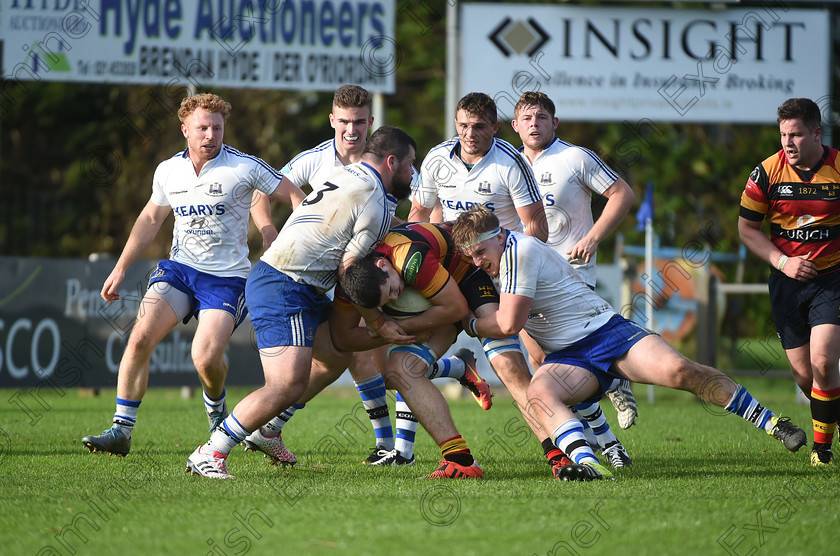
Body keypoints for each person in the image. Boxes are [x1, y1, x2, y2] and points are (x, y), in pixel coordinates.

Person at [452, 206, 807, 481]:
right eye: (470, 257)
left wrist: (469, 322)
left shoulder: (521, 250)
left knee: (682, 371)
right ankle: (590, 465)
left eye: (481, 251)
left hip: (606, 332)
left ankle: (774, 423)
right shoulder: (494, 261)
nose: (478, 262)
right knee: (539, 395)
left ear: (500, 236)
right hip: (570, 356)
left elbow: (509, 322)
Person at [185, 125, 416, 478]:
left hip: (294, 283)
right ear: (391, 161)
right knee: (285, 385)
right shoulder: (375, 198)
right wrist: (380, 322)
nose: (412, 173)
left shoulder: (348, 175)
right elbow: (351, 270)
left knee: (338, 353)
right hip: (285, 284)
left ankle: (268, 430)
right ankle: (210, 451)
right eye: (410, 164)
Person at [81, 93, 304, 457]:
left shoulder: (244, 166)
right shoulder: (169, 170)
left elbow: (295, 195)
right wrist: (120, 268)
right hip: (179, 270)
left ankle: (217, 410)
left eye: (217, 127)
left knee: (204, 358)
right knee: (139, 339)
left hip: (227, 279)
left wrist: (277, 237)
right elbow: (151, 219)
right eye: (202, 128)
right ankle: (121, 430)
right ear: (185, 129)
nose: (210, 135)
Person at [246, 85, 421, 466]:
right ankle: (386, 444)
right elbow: (262, 192)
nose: (352, 130)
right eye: (344, 121)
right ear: (332, 121)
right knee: (345, 352)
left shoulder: (387, 162)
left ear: (371, 124)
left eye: (359, 122)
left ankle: (385, 445)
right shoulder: (315, 160)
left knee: (353, 350)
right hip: (315, 271)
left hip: (353, 269)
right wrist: (273, 228)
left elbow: (412, 211)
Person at [408, 92, 563, 470]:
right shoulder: (437, 159)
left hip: (493, 275)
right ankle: (415, 452)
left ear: (495, 127)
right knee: (405, 360)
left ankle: (558, 451)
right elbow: (419, 213)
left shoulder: (508, 162)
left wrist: (510, 272)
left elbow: (536, 228)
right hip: (447, 273)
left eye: (479, 127)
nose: (470, 134)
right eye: (463, 126)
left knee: (512, 367)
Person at [511, 91, 637, 467]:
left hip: (570, 275)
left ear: (555, 123)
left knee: (564, 362)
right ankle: (609, 438)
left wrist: (593, 238)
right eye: (527, 118)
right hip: (523, 277)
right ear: (515, 126)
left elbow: (622, 193)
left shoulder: (575, 157)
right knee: (542, 364)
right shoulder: (508, 163)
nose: (534, 123)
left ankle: (612, 388)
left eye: (541, 117)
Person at [333, 222, 498, 468]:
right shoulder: (354, 283)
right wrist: (383, 326)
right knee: (389, 376)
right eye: (386, 300)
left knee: (505, 352)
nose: (395, 297)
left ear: (383, 265)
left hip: (467, 276)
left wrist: (405, 326)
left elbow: (456, 308)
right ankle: (458, 368)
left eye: (390, 290)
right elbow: (343, 338)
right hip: (437, 295)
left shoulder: (410, 259)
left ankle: (560, 447)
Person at [738, 97, 840, 467]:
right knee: (804, 374)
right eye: (783, 135)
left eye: (795, 134)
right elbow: (747, 229)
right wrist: (784, 262)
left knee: (824, 361)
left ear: (816, 132)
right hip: (786, 283)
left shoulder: (838, 168)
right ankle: (830, 420)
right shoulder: (766, 173)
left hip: (832, 280)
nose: (787, 143)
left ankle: (822, 451)